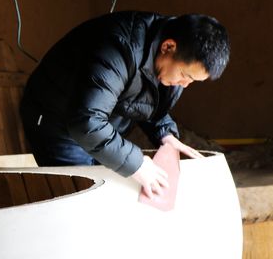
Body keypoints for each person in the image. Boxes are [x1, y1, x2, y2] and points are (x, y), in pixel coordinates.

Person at [19, 11, 230, 198]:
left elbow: (142, 98)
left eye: (193, 80)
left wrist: (165, 134)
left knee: (108, 185)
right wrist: (137, 164)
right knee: (83, 196)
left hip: (94, 120)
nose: (185, 84)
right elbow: (86, 122)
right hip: (56, 118)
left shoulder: (164, 57)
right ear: (168, 46)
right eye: (185, 75)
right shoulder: (120, 47)